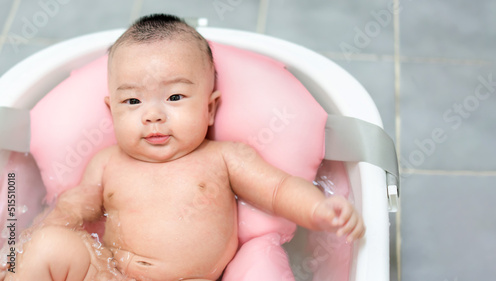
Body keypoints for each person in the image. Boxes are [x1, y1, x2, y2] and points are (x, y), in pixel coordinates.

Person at [2, 14, 365, 281]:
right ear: (111, 111)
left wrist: (320, 210)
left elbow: (278, 189)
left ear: (209, 109)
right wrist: (25, 247)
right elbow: (71, 208)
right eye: (132, 102)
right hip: (110, 275)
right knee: (50, 244)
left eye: (174, 96)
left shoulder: (223, 158)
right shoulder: (107, 163)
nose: (153, 116)